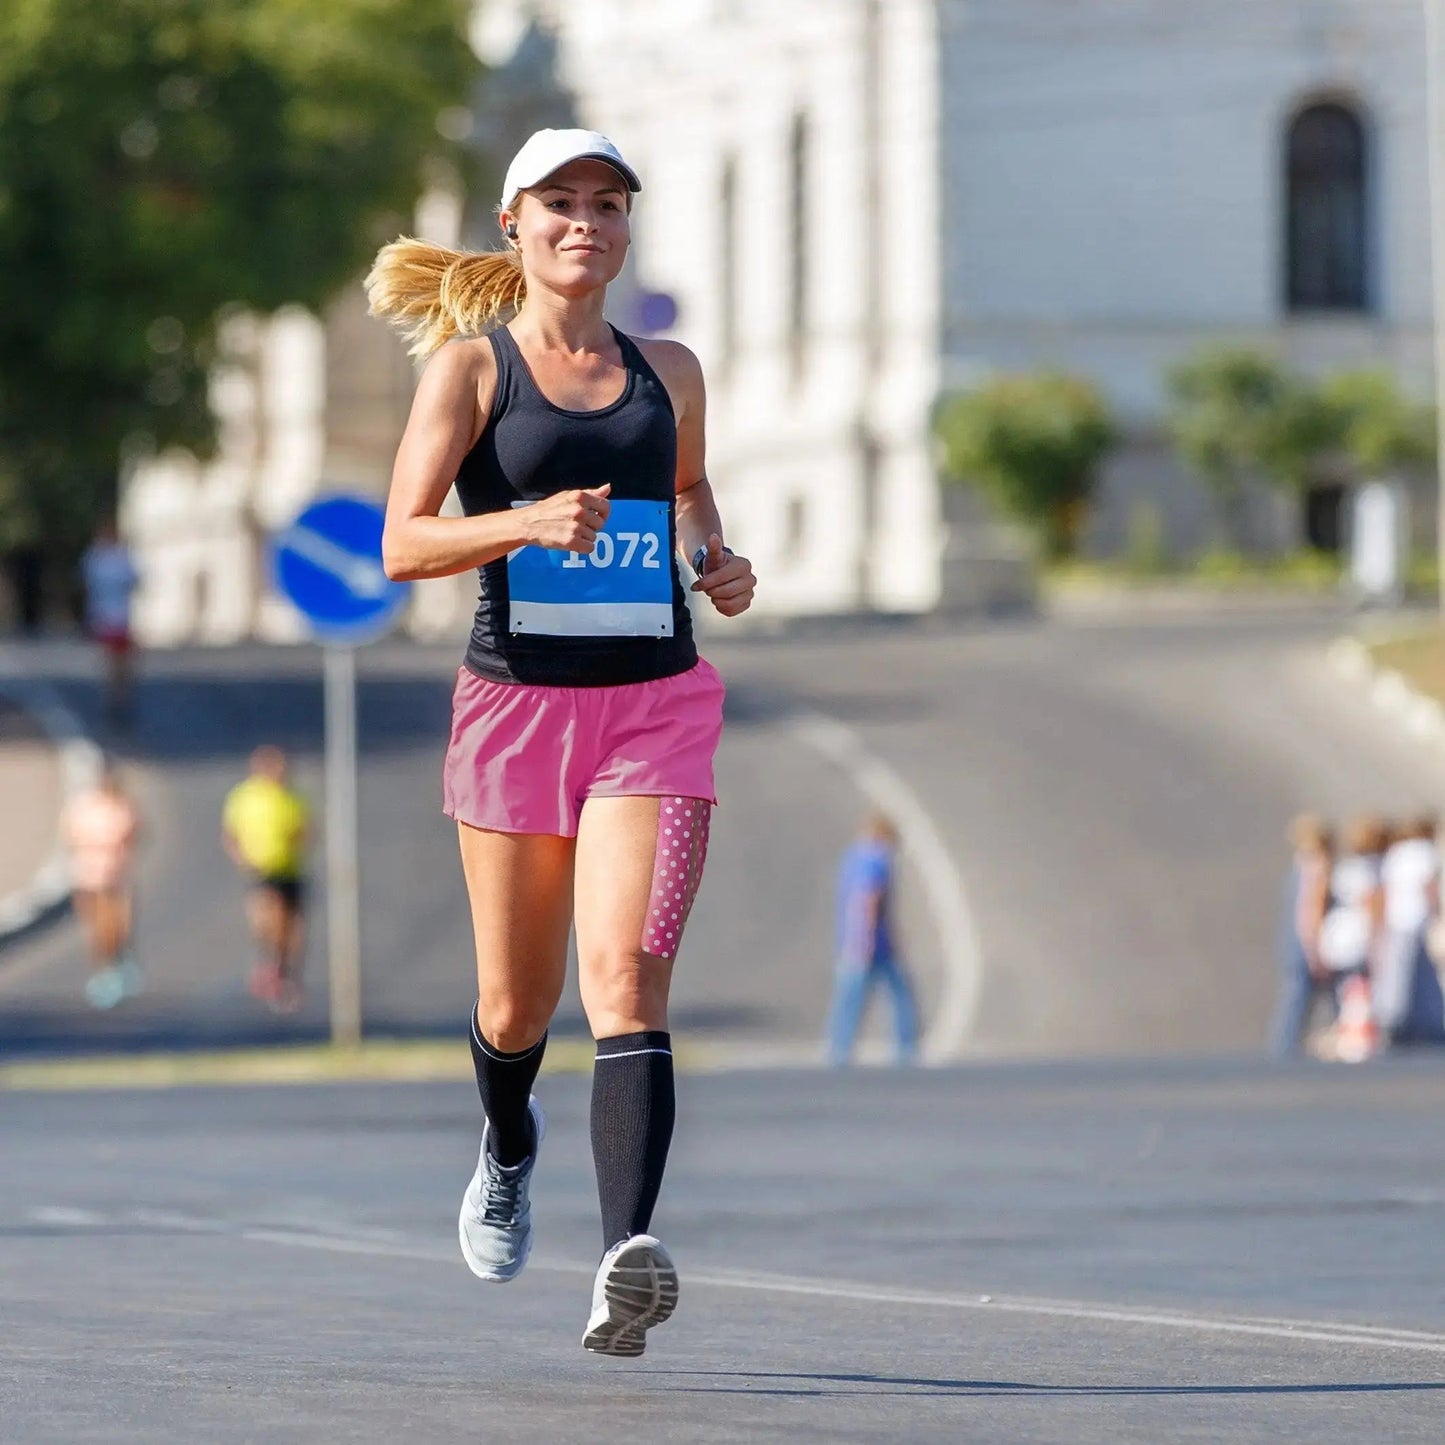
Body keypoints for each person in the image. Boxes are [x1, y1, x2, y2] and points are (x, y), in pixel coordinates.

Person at [365, 127, 756, 1357]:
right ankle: (507, 1141)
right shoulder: (471, 375)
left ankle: (624, 1254)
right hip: (517, 707)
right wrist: (526, 520)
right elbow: (400, 543)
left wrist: (716, 558)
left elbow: (686, 490)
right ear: (515, 225)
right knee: (514, 1002)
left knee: (626, 981)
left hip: (654, 702)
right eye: (559, 204)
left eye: (606, 203)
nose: (584, 222)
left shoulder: (671, 370)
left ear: (626, 227)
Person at [824, 812, 920, 1066]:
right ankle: (905, 1049)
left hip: (850, 941)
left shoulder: (852, 857)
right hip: (873, 943)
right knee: (900, 995)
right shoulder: (878, 860)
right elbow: (870, 898)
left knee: (848, 999)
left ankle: (838, 1049)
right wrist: (868, 937)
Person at [222, 746, 310, 1013]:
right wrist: (241, 858)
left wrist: (296, 848)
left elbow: (304, 830)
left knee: (291, 927)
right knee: (266, 918)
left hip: (289, 868)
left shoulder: (291, 798)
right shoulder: (245, 796)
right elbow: (230, 832)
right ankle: (267, 964)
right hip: (261, 869)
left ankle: (284, 971)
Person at [61, 764, 143, 1009]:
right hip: (88, 874)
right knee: (96, 927)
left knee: (116, 924)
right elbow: (70, 836)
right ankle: (102, 970)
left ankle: (116, 963)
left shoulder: (121, 806)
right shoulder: (84, 806)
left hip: (114, 875)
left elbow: (133, 834)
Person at [1316, 814, 1388, 1061]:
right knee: (1359, 989)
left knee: (1345, 988)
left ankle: (1347, 1035)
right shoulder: (1371, 871)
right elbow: (1373, 908)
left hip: (1338, 936)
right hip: (1357, 937)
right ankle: (1355, 1038)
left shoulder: (1345, 868)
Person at [1268, 813, 1334, 1058]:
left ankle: (1284, 1046)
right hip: (1307, 944)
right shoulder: (1319, 867)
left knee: (1295, 1000)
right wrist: (1315, 951)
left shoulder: (1301, 865)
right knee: (1307, 999)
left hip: (1293, 943)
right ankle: (1286, 1048)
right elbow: (1311, 913)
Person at [1378, 814, 1445, 1045]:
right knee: (1425, 978)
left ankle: (1396, 1024)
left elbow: (1385, 890)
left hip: (1397, 921)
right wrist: (1437, 913)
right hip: (1418, 921)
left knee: (1398, 976)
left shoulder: (1396, 853)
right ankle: (1427, 1026)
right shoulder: (1425, 852)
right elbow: (1430, 889)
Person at [80, 518, 141, 727]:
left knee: (124, 663)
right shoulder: (95, 557)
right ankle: (112, 699)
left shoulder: (121, 557)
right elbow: (88, 586)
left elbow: (136, 581)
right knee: (110, 662)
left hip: (122, 617)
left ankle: (119, 698)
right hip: (104, 617)